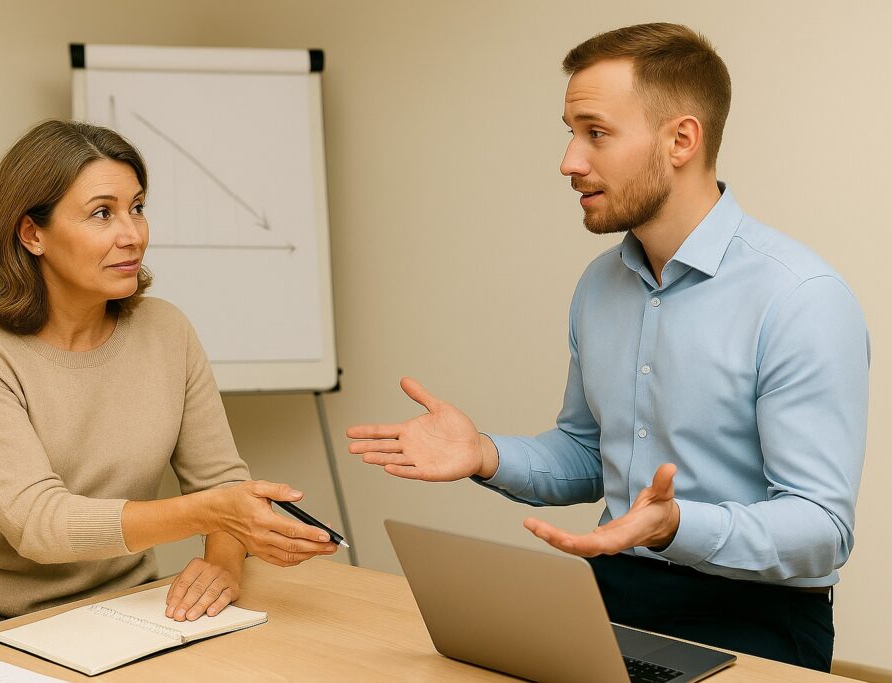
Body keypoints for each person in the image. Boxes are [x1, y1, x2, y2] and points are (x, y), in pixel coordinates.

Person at [347, 23, 869, 672]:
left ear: (681, 139)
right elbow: (590, 453)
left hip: (754, 621)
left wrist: (676, 525)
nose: (570, 160)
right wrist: (484, 453)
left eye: (595, 132)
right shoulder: (600, 284)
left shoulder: (801, 298)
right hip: (613, 592)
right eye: (570, 132)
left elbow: (822, 531)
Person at [0, 120, 337, 651]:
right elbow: (39, 525)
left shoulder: (167, 330)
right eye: (102, 213)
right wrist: (213, 511)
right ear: (32, 234)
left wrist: (223, 564)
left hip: (118, 601)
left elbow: (220, 482)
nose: (133, 234)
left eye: (137, 208)